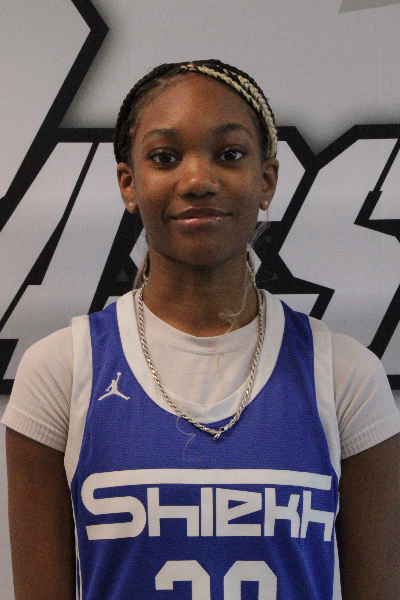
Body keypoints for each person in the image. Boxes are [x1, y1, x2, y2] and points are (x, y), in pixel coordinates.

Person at [3, 59, 400, 600]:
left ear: (266, 180)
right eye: (165, 157)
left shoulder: (345, 375)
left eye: (230, 154)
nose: (197, 181)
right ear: (129, 183)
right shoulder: (62, 369)